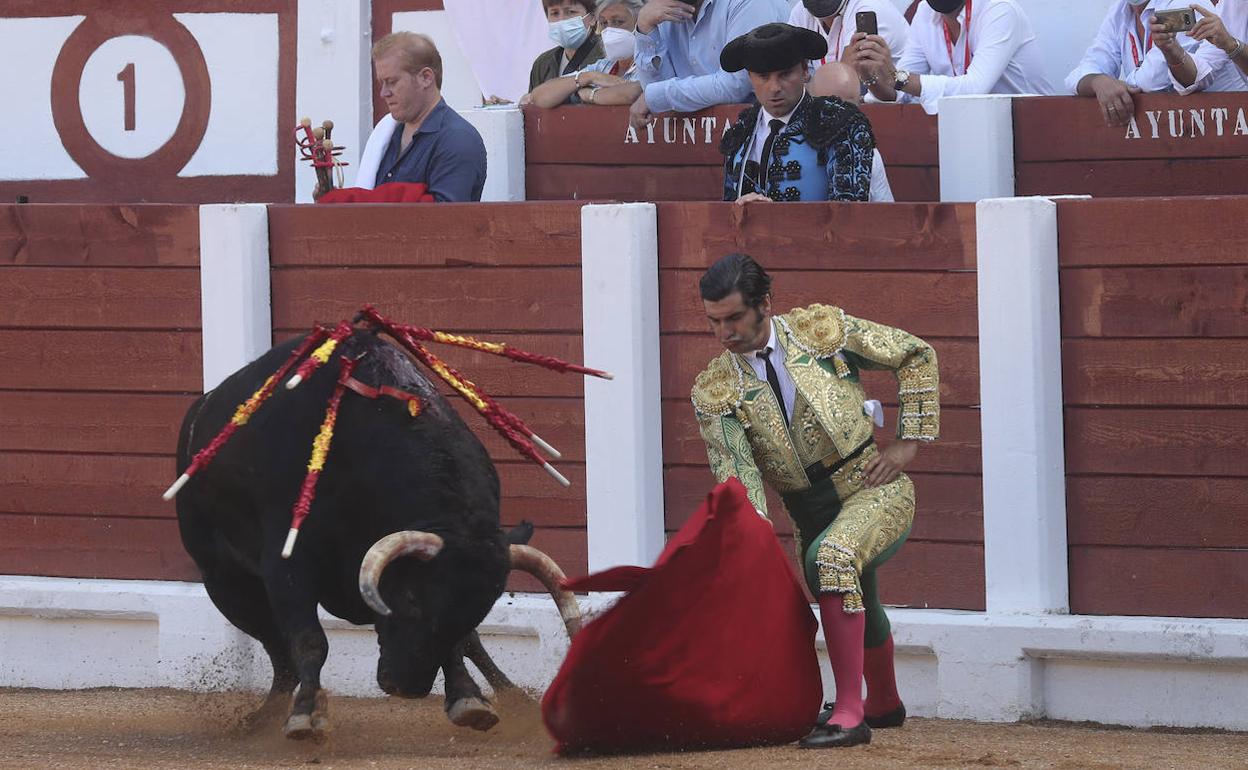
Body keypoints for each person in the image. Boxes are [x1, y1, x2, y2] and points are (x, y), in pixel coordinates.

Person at [691, 253, 939, 749]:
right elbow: (738, 477)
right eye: (714, 322)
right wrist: (750, 537)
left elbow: (914, 353)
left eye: (735, 318)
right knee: (852, 586)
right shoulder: (716, 390)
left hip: (874, 486)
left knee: (833, 560)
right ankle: (884, 703)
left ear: (765, 304)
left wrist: (909, 442)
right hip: (808, 512)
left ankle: (850, 712)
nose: (725, 334)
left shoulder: (821, 331)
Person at [719, 24, 875, 204]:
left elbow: (849, 212)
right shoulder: (742, 130)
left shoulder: (839, 123)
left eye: (785, 74)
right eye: (763, 76)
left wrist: (777, 218)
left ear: (805, 69)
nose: (775, 88)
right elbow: (728, 212)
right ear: (749, 77)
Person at [347, 32, 487, 202]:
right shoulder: (386, 134)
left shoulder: (458, 139)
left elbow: (445, 220)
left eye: (392, 81)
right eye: (381, 83)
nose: (384, 93)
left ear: (426, 78)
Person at [852, 0, 1054, 115]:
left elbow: (974, 89)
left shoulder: (999, 10)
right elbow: (900, 92)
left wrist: (895, 77)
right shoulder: (925, 12)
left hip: (1031, 125)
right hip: (966, 126)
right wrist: (872, 76)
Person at [1066, 1, 1239, 127]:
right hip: (1182, 132)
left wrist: (1110, 86)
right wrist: (1098, 82)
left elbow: (1152, 81)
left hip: (1229, 128)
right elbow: (1079, 73)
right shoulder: (1119, 11)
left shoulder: (1185, 3)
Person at [629, 0, 790, 130]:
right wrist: (645, 28)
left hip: (773, 135)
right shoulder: (662, 8)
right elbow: (656, 91)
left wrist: (660, 95)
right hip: (700, 148)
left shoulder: (750, 3)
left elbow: (735, 86)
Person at [525, 0, 645, 108]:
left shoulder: (652, 60)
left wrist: (590, 94)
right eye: (604, 23)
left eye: (618, 22)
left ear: (639, 22)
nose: (610, 29)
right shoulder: (603, 66)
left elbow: (637, 92)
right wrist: (589, 77)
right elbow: (540, 96)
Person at [809, 62, 894, 202]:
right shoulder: (790, 141)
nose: (839, 116)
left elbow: (885, 213)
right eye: (828, 107)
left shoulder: (865, 150)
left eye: (846, 108)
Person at [788, 0, 908, 72]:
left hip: (901, 107)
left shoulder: (869, 7)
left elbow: (845, 79)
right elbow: (787, 70)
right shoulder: (801, 11)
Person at [1157, 2, 1248, 94]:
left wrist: (1231, 45)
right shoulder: (1230, 5)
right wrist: (1172, 50)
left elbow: (1148, 83)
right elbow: (1200, 75)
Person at [528, 0, 605, 92]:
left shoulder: (607, 56)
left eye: (571, 12)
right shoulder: (542, 63)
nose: (562, 19)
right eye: (555, 13)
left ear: (593, 17)